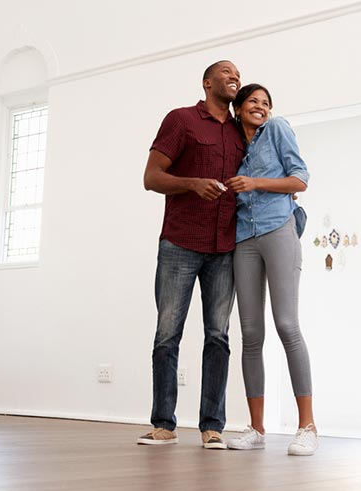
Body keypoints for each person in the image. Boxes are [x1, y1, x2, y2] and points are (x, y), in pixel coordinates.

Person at [137, 61, 245, 449]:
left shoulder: (242, 131)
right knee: (168, 335)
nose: (235, 76)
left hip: (225, 248)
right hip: (180, 244)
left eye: (239, 73)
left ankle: (212, 427)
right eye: (227, 72)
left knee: (219, 336)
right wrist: (191, 184)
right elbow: (151, 178)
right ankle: (163, 425)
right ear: (207, 82)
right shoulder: (180, 120)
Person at [224, 83, 318, 456]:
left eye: (265, 103)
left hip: (278, 228)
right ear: (239, 108)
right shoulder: (232, 145)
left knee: (287, 325)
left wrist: (255, 183)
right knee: (250, 332)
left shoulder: (276, 128)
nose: (260, 107)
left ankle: (307, 426)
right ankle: (257, 427)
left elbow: (300, 180)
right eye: (253, 102)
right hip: (243, 237)